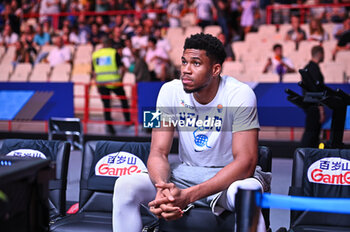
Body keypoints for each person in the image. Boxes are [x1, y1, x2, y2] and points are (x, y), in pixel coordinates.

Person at [112, 33, 271, 232]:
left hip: (229, 178)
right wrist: (162, 187)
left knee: (249, 192)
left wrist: (189, 195)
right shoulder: (168, 91)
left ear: (215, 69)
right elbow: (158, 152)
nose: (186, 70)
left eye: (196, 63)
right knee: (125, 184)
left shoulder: (241, 94)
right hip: (185, 172)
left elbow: (246, 163)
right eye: (184, 62)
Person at [92, 37, 130, 135]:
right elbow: (121, 68)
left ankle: (110, 127)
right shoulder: (114, 52)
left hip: (101, 84)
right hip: (114, 83)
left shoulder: (96, 54)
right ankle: (127, 120)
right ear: (110, 44)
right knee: (123, 100)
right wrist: (120, 79)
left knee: (106, 105)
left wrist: (96, 84)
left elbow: (94, 72)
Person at [300, 45, 325, 148]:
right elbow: (315, 90)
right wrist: (321, 110)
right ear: (320, 54)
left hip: (309, 104)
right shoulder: (314, 69)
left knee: (312, 134)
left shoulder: (307, 68)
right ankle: (303, 156)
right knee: (311, 134)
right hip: (314, 106)